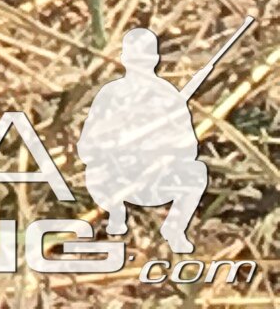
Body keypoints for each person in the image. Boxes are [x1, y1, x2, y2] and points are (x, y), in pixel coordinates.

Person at [80, 28, 207, 254]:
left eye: (146, 58)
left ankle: (175, 229)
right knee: (94, 172)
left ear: (155, 59)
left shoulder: (169, 96)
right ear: (124, 59)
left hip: (157, 179)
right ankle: (116, 216)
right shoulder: (110, 95)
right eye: (135, 58)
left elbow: (189, 147)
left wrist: (161, 148)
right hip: (116, 179)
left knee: (197, 172)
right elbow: (87, 146)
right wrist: (116, 147)